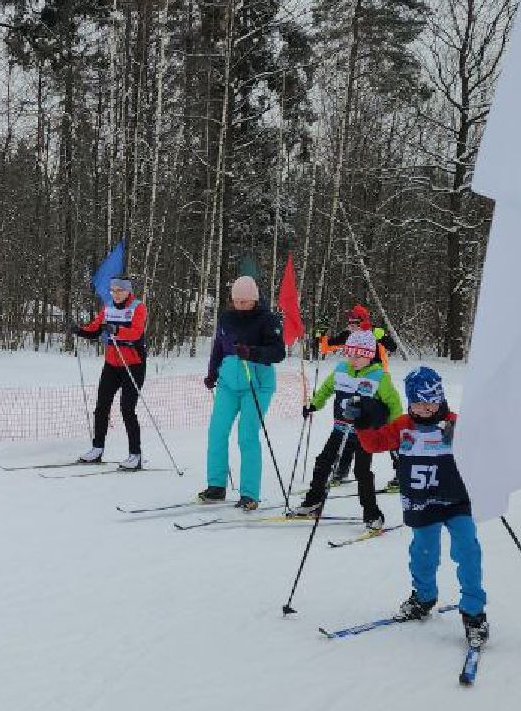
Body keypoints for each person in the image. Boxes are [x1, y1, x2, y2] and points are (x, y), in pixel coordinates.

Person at [352, 366, 488, 647]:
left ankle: (474, 613)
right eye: (419, 401)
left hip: (456, 500)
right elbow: (373, 444)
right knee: (424, 554)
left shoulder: (453, 423)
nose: (427, 407)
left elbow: (484, 444)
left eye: (432, 400)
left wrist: (464, 437)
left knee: (468, 552)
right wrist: (362, 422)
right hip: (421, 502)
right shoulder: (403, 426)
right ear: (409, 401)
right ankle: (423, 598)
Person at [295, 330, 402, 526]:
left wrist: (395, 429)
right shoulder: (341, 370)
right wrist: (314, 405)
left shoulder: (379, 376)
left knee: (362, 472)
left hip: (364, 433)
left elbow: (394, 404)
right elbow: (327, 389)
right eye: (350, 353)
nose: (353, 359)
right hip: (341, 429)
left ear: (369, 355)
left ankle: (372, 514)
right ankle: (313, 501)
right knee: (323, 463)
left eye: (358, 355)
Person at [199, 275, 286, 511]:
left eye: (245, 302)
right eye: (237, 301)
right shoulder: (226, 318)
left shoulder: (268, 319)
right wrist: (212, 373)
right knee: (217, 432)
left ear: (255, 300)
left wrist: (253, 352)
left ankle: (249, 493)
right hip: (228, 381)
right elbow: (218, 346)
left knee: (246, 435)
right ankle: (216, 486)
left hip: (257, 383)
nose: (240, 306)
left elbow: (278, 352)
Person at [72, 276, 149, 470]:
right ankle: (97, 449)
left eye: (119, 290)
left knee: (127, 409)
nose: (115, 294)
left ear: (127, 291)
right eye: (113, 290)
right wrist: (79, 330)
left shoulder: (138, 307)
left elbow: (136, 333)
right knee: (101, 406)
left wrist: (117, 330)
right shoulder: (108, 307)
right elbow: (96, 328)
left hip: (133, 364)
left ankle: (135, 455)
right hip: (112, 364)